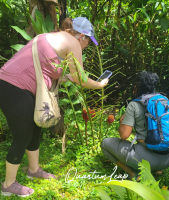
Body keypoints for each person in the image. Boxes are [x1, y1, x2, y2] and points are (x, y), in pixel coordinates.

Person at [0, 17, 108, 197]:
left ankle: (33, 170)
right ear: (81, 36)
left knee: (35, 128)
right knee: (22, 136)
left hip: (11, 85)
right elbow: (81, 79)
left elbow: (43, 68)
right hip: (15, 87)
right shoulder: (73, 42)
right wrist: (100, 84)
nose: (87, 45)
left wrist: (64, 77)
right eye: (89, 41)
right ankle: (8, 184)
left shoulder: (52, 36)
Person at [101, 71, 169, 181]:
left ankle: (132, 173)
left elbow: (124, 136)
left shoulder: (134, 104)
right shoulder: (165, 101)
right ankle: (158, 170)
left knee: (105, 144)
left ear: (136, 87)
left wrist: (122, 122)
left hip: (145, 160)